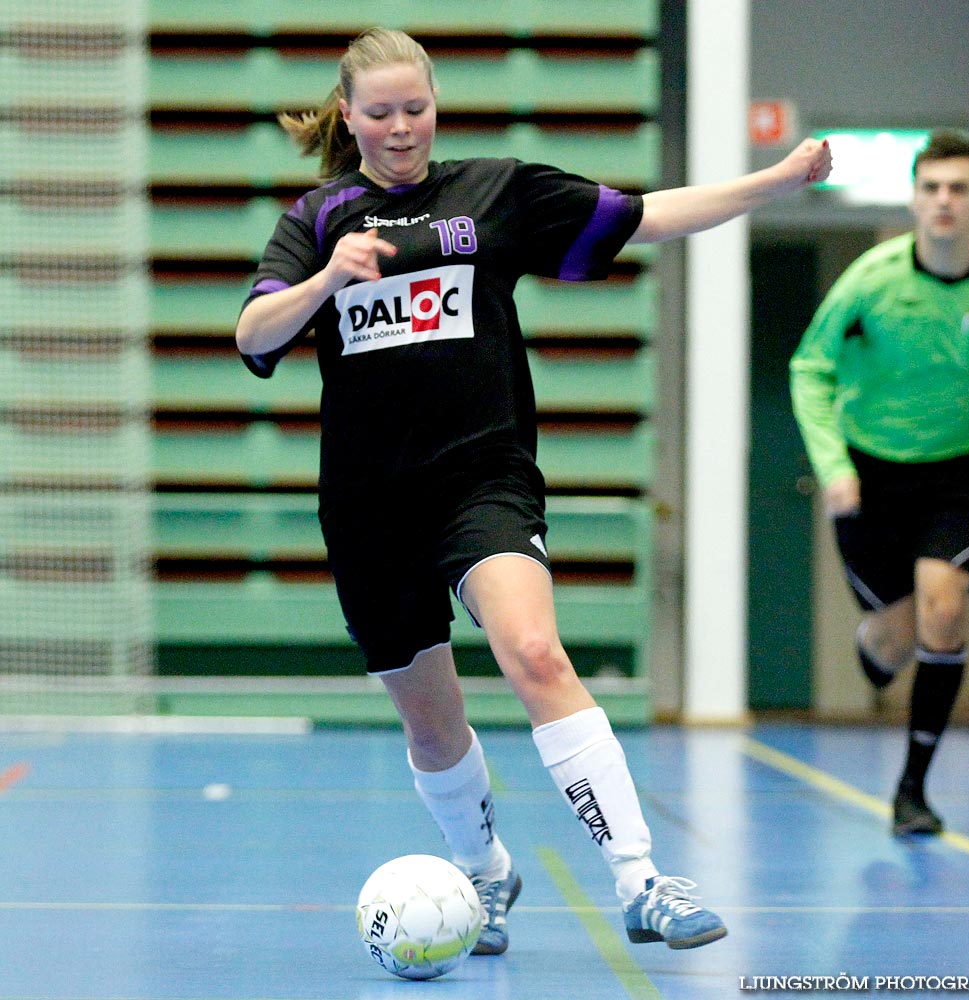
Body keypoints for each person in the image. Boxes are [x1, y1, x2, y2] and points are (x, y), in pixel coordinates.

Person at [236, 26, 832, 954]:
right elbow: (253, 336)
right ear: (348, 116)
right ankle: (486, 871)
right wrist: (325, 278)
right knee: (432, 723)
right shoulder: (318, 217)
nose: (402, 129)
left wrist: (775, 181)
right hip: (367, 505)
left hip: (484, 477)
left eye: (417, 109)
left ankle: (641, 879)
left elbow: (645, 214)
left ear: (437, 106)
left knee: (533, 652)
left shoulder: (497, 190)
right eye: (381, 112)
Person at [789, 129, 969, 837]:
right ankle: (877, 645)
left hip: (960, 474)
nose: (945, 202)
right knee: (897, 640)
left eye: (959, 189)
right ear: (915, 199)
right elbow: (809, 368)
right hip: (870, 476)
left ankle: (913, 791)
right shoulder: (872, 280)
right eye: (931, 189)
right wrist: (834, 466)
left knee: (946, 610)